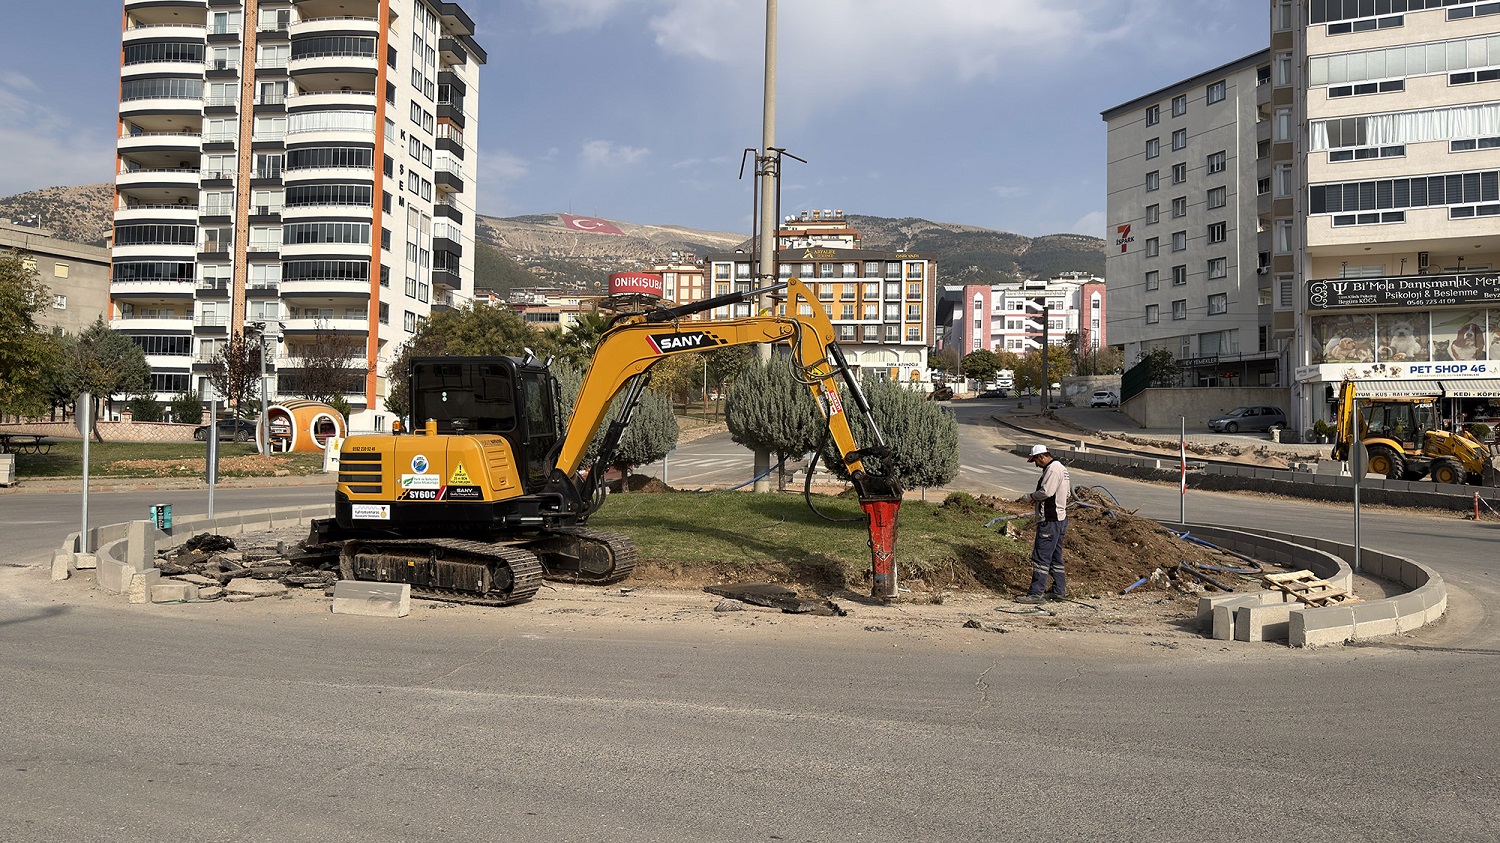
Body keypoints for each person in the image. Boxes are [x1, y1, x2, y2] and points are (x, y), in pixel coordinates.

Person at [1016, 444, 1070, 604]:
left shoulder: (1052, 469)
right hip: (1060, 519)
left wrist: (1030, 496)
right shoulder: (1062, 468)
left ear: (1041, 457)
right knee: (1055, 556)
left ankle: (1036, 594)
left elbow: (1047, 492)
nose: (1036, 464)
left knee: (1041, 557)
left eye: (1035, 461)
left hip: (1050, 520)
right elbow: (1066, 493)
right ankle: (1059, 591)